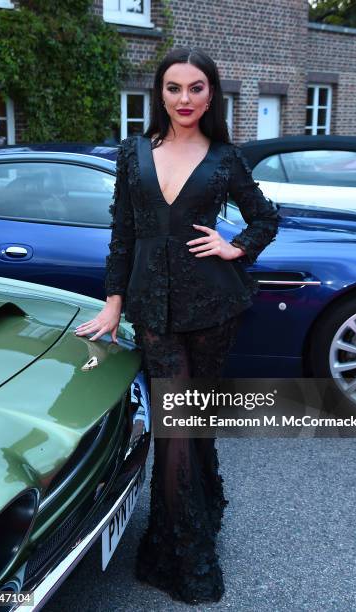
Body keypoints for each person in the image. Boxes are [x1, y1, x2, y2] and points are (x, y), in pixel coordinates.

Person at [74, 46, 280, 605]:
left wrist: (235, 247)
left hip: (213, 309)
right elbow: (123, 235)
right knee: (174, 428)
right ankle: (183, 553)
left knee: (194, 421)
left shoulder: (225, 158)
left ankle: (200, 513)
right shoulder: (133, 153)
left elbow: (266, 217)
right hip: (153, 312)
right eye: (173, 87)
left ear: (211, 94)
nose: (184, 98)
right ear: (159, 93)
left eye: (195, 88)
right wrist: (113, 304)